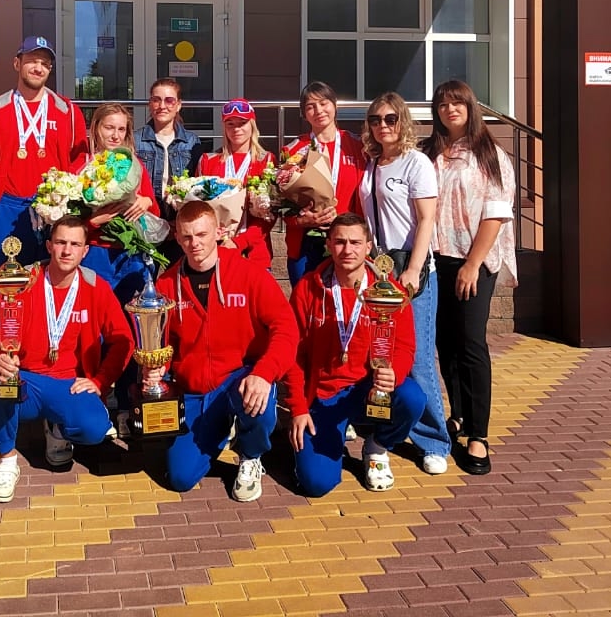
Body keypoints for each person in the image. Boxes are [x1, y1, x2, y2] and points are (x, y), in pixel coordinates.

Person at [144, 201, 298, 501]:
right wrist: (157, 367)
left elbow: (286, 328)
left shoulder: (249, 274)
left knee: (259, 399)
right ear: (177, 238)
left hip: (238, 379)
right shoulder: (166, 283)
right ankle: (219, 428)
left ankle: (250, 454)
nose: (195, 244)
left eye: (202, 234)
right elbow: (162, 342)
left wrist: (265, 374)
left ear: (219, 232)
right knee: (180, 477)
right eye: (187, 237)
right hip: (194, 389)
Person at [0, 216, 134, 502]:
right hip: (27, 381)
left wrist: (100, 381)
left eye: (75, 244)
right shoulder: (21, 280)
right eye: (61, 242)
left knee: (94, 430)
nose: (66, 250)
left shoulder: (96, 286)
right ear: (49, 245)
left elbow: (124, 340)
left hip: (70, 384)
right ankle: (7, 462)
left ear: (85, 251)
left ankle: (58, 427)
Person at [284, 214, 423, 495]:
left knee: (412, 398)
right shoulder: (307, 289)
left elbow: (405, 346)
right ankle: (325, 441)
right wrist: (298, 408)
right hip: (324, 395)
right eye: (340, 242)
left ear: (368, 246)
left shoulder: (390, 292)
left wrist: (393, 373)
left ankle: (378, 446)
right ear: (328, 245)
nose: (347, 250)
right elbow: (293, 354)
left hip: (370, 390)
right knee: (316, 484)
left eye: (355, 243)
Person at [422, 79, 517, 476]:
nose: (450, 109)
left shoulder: (490, 155)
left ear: (470, 106)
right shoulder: (429, 152)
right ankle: (458, 414)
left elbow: (496, 213)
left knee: (471, 343)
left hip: (473, 260)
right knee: (445, 342)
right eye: (443, 104)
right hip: (435, 261)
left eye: (457, 102)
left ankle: (479, 434)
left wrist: (472, 263)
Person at [357, 93, 449, 475]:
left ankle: (434, 441)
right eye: (375, 119)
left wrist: (413, 268)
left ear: (403, 121)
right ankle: (387, 424)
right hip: (379, 273)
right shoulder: (372, 162)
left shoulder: (416, 162)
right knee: (381, 353)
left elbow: (427, 219)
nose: (383, 125)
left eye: (391, 118)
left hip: (410, 271)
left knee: (419, 360)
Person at [80, 102, 162, 436]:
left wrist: (145, 201)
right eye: (108, 128)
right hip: (96, 255)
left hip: (129, 256)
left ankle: (127, 404)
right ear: (96, 129)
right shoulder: (83, 167)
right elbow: (68, 219)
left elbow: (154, 211)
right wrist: (94, 221)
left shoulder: (134, 165)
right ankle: (97, 398)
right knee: (94, 331)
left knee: (129, 330)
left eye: (121, 129)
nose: (114, 135)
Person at [0, 36, 87, 268]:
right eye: (32, 61)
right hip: (9, 206)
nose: (38, 68)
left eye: (45, 63)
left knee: (55, 278)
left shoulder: (68, 111)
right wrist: (1, 191)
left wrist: (62, 194)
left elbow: (80, 158)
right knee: (9, 280)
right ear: (17, 63)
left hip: (56, 209)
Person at [283, 82, 366, 286]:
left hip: (347, 241)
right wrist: (302, 220)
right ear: (304, 114)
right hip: (306, 242)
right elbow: (279, 204)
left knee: (345, 299)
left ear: (334, 105)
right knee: (304, 300)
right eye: (310, 106)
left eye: (323, 103)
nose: (318, 111)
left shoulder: (358, 146)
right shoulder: (293, 151)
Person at [195, 99, 276, 269]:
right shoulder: (208, 161)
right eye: (230, 124)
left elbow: (270, 216)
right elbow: (198, 209)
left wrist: (240, 242)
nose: (236, 129)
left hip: (254, 252)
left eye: (242, 123)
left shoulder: (266, 161)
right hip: (216, 249)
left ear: (252, 125)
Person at [133, 77, 203, 266]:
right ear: (150, 104)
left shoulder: (191, 141)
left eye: (169, 100)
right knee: (145, 278)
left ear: (178, 105)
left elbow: (197, 186)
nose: (162, 106)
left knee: (181, 275)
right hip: (147, 221)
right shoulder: (135, 140)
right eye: (156, 100)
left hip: (180, 222)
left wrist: (178, 222)